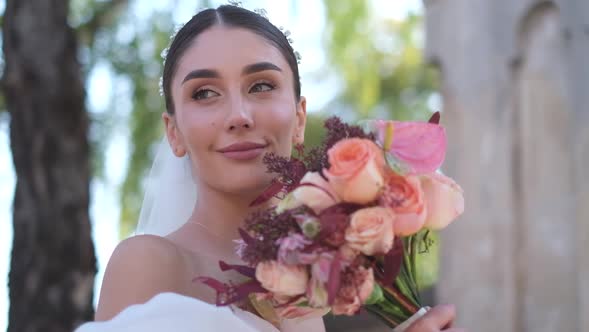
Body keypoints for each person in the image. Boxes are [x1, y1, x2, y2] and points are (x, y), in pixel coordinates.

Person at [79, 4, 465, 332]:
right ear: (174, 132)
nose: (239, 115)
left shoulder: (309, 288)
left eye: (261, 86)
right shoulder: (150, 264)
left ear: (299, 119)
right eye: (205, 93)